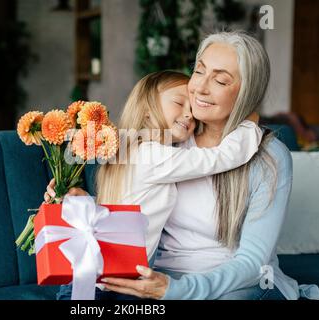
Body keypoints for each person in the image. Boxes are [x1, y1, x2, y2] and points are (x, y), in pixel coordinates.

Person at [95, 31, 319, 300]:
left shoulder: (270, 157)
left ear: (246, 94)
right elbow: (126, 193)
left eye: (221, 80)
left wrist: (178, 290)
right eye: (199, 71)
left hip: (234, 283)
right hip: (159, 278)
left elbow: (254, 264)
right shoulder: (173, 138)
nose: (200, 88)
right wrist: (72, 196)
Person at [48, 69, 263, 300]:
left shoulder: (128, 150)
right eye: (179, 103)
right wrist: (247, 124)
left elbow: (117, 213)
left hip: (97, 274)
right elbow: (218, 158)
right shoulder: (153, 155)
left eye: (192, 110)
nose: (189, 114)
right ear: (148, 110)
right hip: (104, 281)